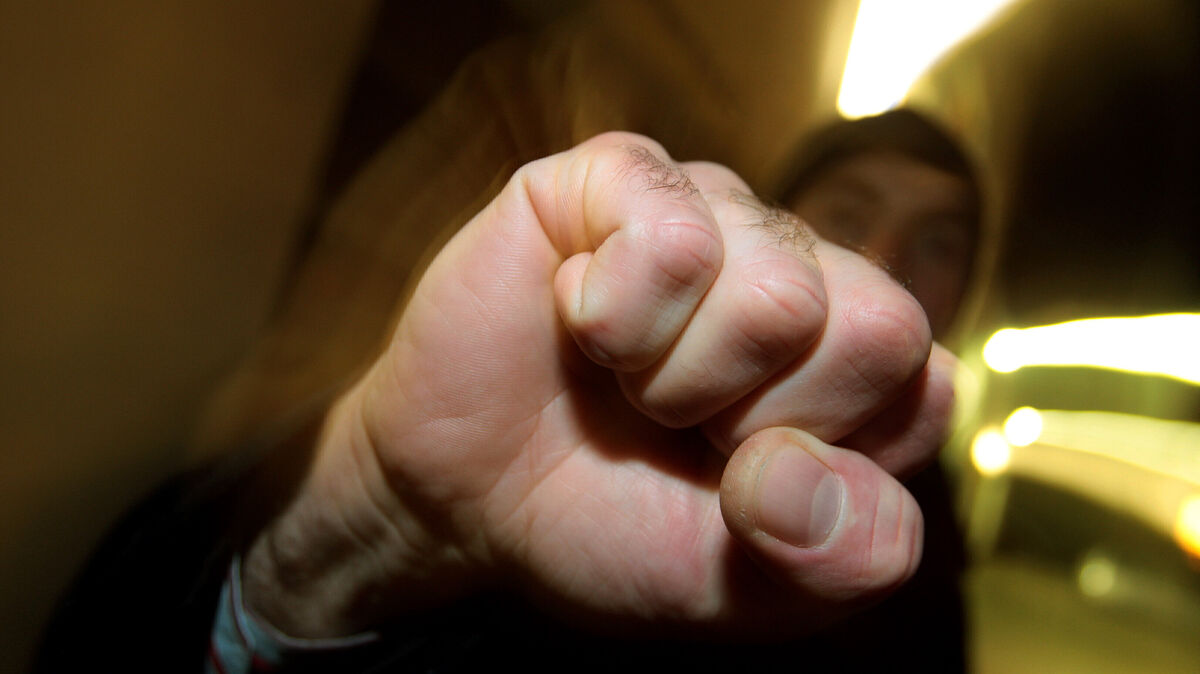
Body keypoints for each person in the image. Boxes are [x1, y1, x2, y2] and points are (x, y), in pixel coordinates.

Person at [35, 10, 978, 671]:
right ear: (784, 223)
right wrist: (381, 520)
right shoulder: (599, 421)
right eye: (851, 209)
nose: (888, 254)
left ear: (966, 295)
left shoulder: (931, 572)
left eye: (938, 242)